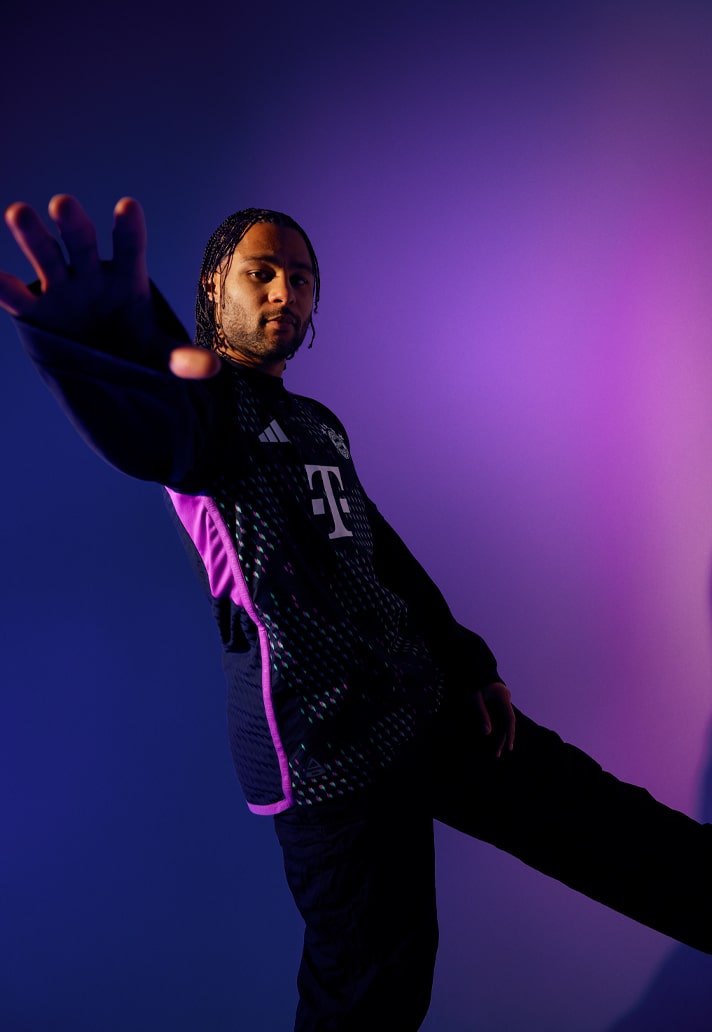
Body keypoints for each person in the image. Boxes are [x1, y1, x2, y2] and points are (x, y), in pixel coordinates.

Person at [2, 194, 711, 1031]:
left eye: (301, 278)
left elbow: (380, 554)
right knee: (375, 991)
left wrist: (468, 663)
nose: (284, 292)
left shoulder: (316, 424)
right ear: (215, 287)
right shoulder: (205, 412)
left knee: (608, 827)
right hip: (325, 748)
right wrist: (97, 351)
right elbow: (156, 421)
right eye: (261, 273)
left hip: (420, 700)